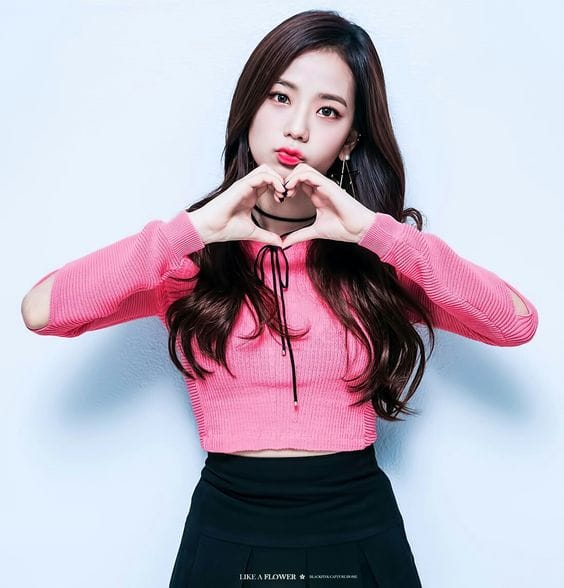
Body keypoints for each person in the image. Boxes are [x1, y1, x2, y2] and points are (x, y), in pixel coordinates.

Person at [21, 9, 538, 588]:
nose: (297, 128)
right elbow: (42, 310)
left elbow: (516, 322)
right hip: (228, 524)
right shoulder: (188, 259)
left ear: (350, 140)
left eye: (327, 111)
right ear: (250, 109)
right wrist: (193, 230)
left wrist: (379, 234)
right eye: (280, 97)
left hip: (358, 524)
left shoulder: (380, 261)